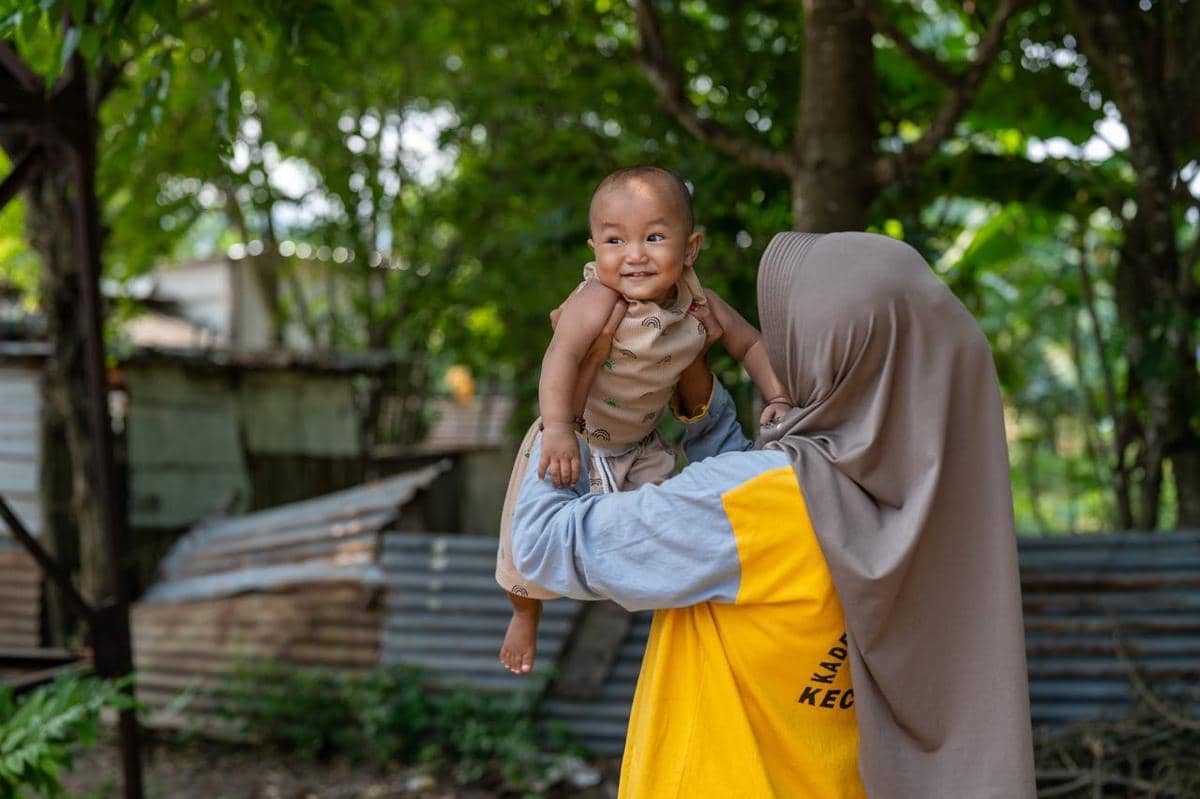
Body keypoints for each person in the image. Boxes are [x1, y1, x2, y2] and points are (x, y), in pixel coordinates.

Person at [511, 231, 1037, 798]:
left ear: (824, 350)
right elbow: (742, 516)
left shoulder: (759, 502)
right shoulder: (931, 506)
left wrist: (573, 405)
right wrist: (697, 390)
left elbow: (542, 546)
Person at [495, 166, 789, 675]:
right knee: (525, 547)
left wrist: (779, 397)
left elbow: (750, 343)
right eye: (615, 240)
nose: (634, 255)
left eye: (654, 237)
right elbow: (559, 359)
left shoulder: (697, 303)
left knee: (652, 538)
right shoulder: (598, 300)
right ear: (594, 248)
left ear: (691, 248)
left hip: (642, 444)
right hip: (578, 435)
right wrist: (559, 429)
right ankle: (525, 614)